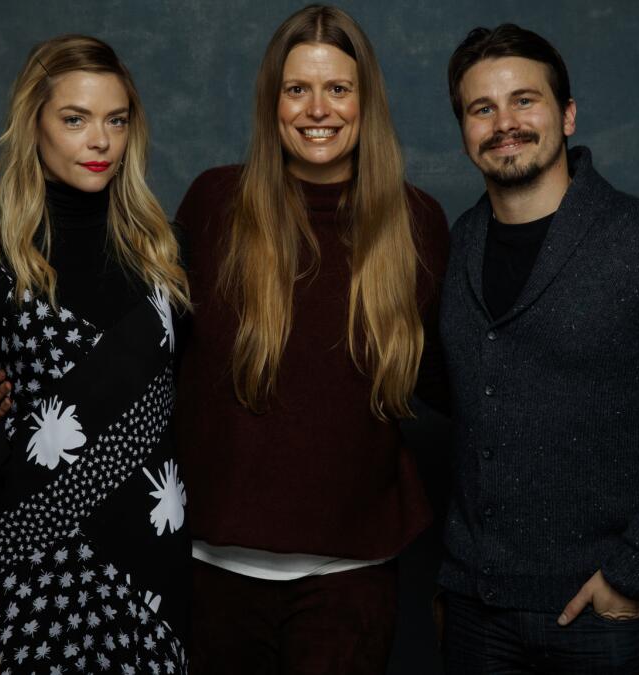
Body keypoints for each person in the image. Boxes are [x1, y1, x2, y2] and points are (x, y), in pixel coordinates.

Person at [435, 24, 639, 674]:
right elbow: (456, 391)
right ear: (465, 129)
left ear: (569, 113)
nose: (505, 122)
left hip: (601, 618)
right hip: (476, 614)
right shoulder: (457, 247)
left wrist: (635, 571)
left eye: (525, 100)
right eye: (482, 108)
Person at [173, 5, 450, 672]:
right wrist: (34, 380)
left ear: (365, 102)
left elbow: (457, 373)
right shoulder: (216, 204)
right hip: (214, 569)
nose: (317, 109)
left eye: (338, 88)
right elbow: (155, 351)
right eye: (297, 89)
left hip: (350, 579)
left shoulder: (416, 222)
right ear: (274, 104)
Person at [0, 35, 191, 675]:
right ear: (35, 126)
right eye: (74, 119)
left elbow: (191, 406)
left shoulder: (168, 254)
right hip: (37, 564)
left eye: (116, 120)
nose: (99, 141)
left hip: (152, 567)